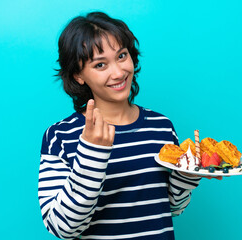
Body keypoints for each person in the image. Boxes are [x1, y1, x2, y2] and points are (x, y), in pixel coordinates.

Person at [38, 11, 209, 240]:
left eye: (121, 56)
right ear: (78, 75)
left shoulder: (161, 126)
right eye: (100, 65)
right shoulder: (60, 136)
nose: (118, 73)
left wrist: (187, 175)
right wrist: (92, 153)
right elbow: (63, 228)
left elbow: (170, 207)